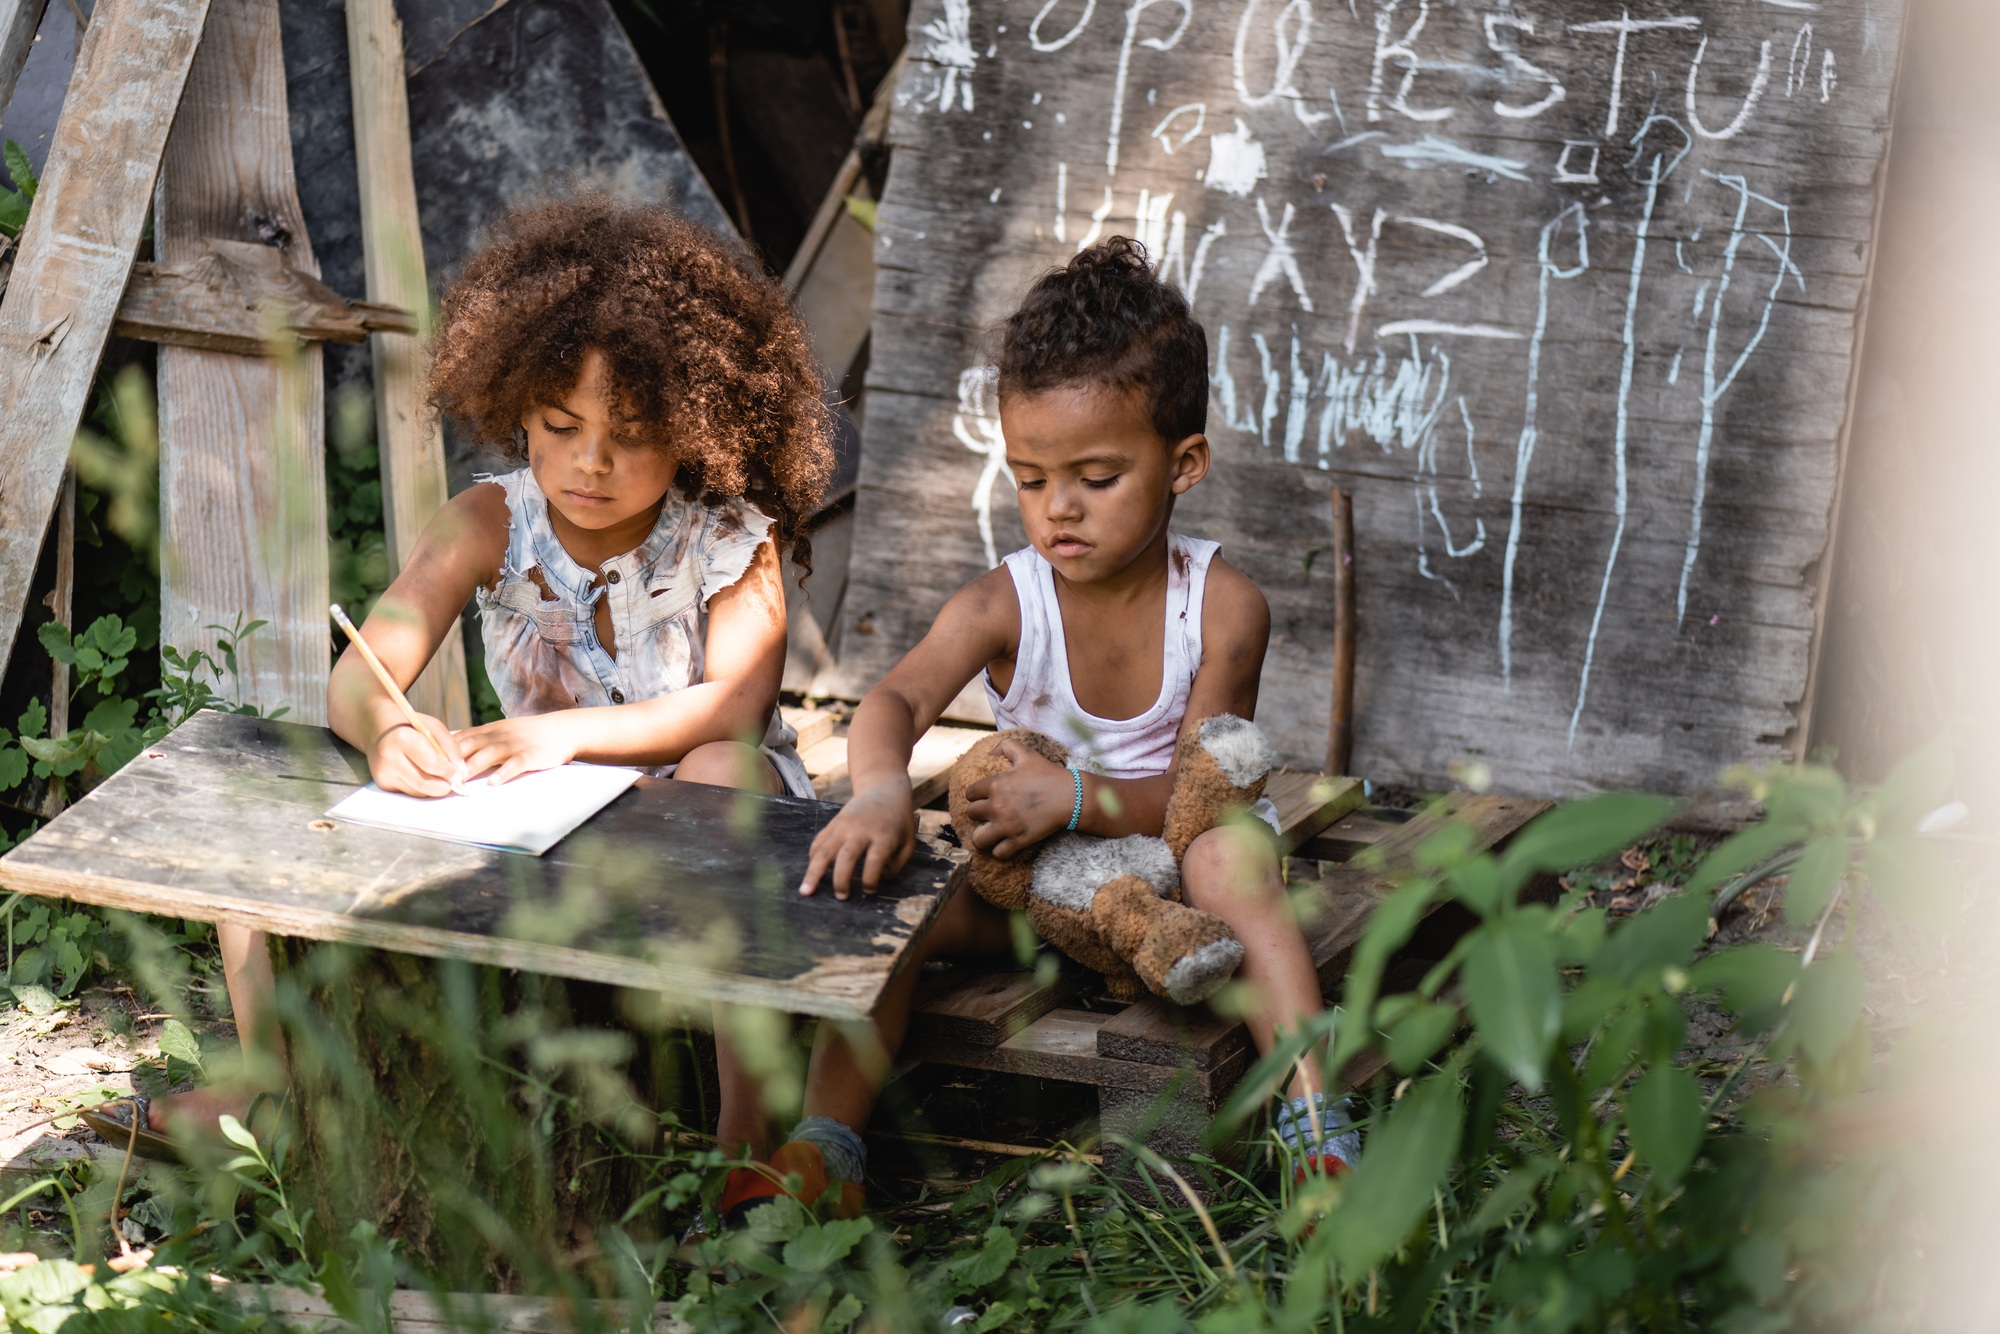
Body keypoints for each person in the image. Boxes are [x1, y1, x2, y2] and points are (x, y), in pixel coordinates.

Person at [87, 197, 836, 1168]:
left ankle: (747, 1129)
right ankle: (264, 1089)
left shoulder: (731, 536)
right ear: (517, 399)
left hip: (720, 841)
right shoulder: (488, 523)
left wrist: (557, 736)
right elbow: (360, 679)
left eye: (632, 433)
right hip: (549, 828)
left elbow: (736, 705)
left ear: (697, 427)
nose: (591, 462)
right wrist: (391, 734)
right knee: (287, 797)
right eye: (562, 424)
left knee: (720, 769)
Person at [793, 237, 1357, 1202]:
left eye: (1097, 480)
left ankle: (1317, 1130)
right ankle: (822, 1149)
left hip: (1182, 879)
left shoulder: (1222, 609)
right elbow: (892, 701)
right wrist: (882, 789)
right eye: (1031, 477)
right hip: (1041, 888)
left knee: (1228, 853)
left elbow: (1196, 799)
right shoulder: (1003, 604)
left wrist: (1076, 797)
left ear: (1184, 464)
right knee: (896, 891)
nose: (1059, 511)